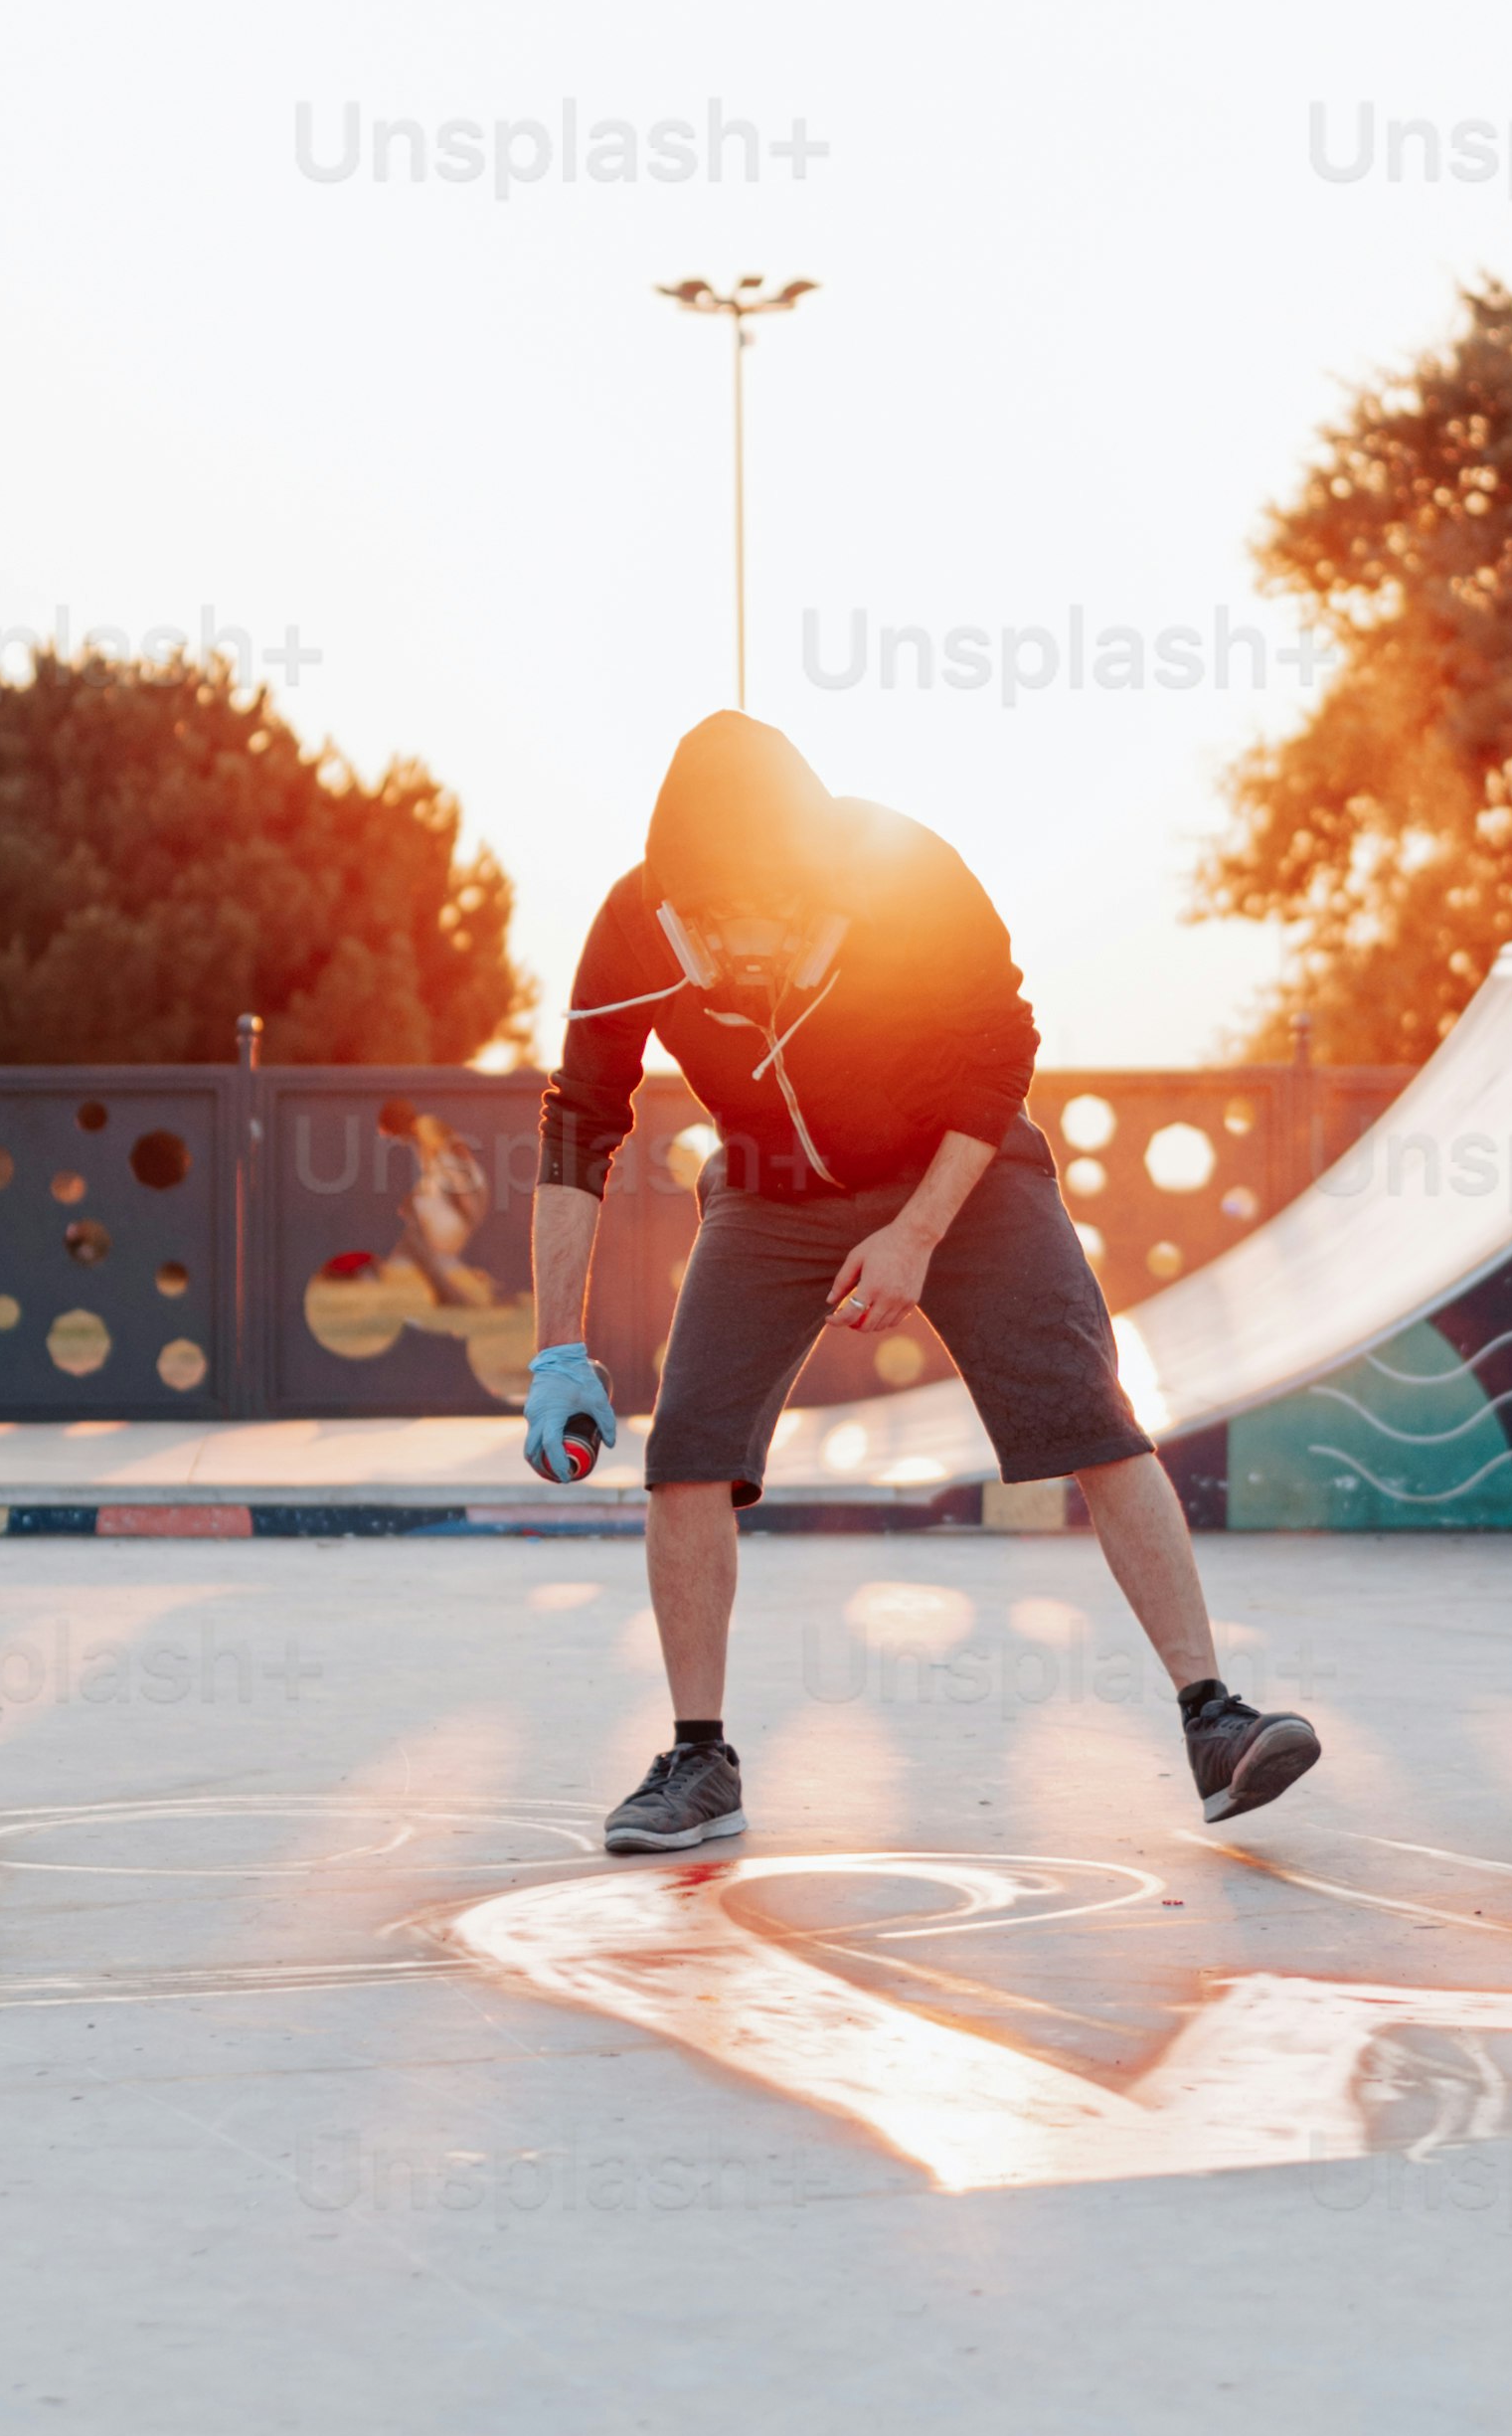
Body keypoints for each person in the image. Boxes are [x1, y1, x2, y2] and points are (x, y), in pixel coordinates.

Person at [518, 709, 1319, 1856]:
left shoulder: (906, 874)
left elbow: (999, 1054)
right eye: (710, 918)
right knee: (687, 1450)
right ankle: (699, 1759)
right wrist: (558, 1346)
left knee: (1093, 1418)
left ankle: (1213, 1718)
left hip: (961, 1167)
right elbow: (580, 1117)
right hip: (767, 1186)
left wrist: (914, 1234)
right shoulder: (635, 923)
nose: (735, 943)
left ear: (805, 876)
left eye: (757, 914)